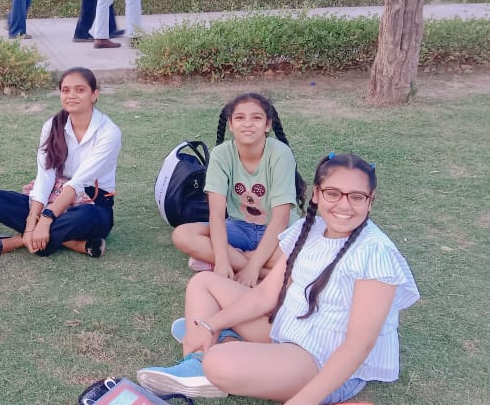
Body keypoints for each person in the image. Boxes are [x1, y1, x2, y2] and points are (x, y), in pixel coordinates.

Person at [137, 153, 420, 404]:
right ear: (316, 194)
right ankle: (204, 354)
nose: (344, 205)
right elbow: (265, 295)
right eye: (333, 193)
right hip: (291, 328)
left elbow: (359, 345)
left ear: (370, 201)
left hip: (323, 360)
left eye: (357, 197)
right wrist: (211, 323)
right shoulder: (311, 228)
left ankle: (216, 353)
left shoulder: (375, 253)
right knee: (203, 283)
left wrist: (303, 401)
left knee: (219, 363)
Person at [0, 67, 121, 258]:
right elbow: (45, 176)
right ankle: (73, 243)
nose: (71, 95)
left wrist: (46, 219)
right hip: (53, 194)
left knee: (88, 218)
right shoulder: (52, 125)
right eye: (65, 90)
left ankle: (20, 241)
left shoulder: (109, 132)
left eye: (80, 90)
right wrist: (33, 221)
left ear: (94, 95)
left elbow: (78, 182)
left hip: (91, 201)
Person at [172, 93, 306, 287]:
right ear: (231, 124)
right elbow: (217, 214)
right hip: (239, 228)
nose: (248, 124)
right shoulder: (221, 154)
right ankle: (266, 273)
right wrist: (222, 260)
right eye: (240, 117)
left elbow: (280, 218)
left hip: (279, 231)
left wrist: (252, 266)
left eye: (256, 118)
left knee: (302, 251)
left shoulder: (280, 153)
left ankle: (235, 262)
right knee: (183, 235)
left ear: (268, 124)